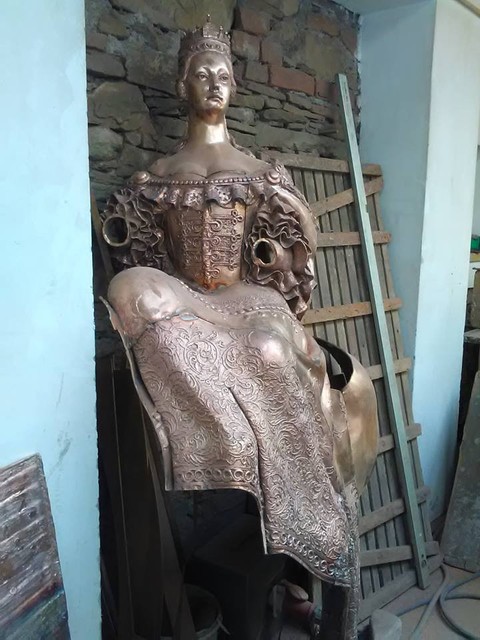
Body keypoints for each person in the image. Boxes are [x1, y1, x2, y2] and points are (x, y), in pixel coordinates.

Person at [102, 17, 378, 639]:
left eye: (222, 74)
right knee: (129, 292)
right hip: (182, 299)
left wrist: (279, 256)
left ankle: (300, 506)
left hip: (247, 299)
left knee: (271, 347)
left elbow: (298, 250)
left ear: (236, 85)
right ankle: (220, 434)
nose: (213, 83)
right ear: (182, 84)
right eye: (201, 73)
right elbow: (134, 252)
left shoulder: (258, 172)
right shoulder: (154, 176)